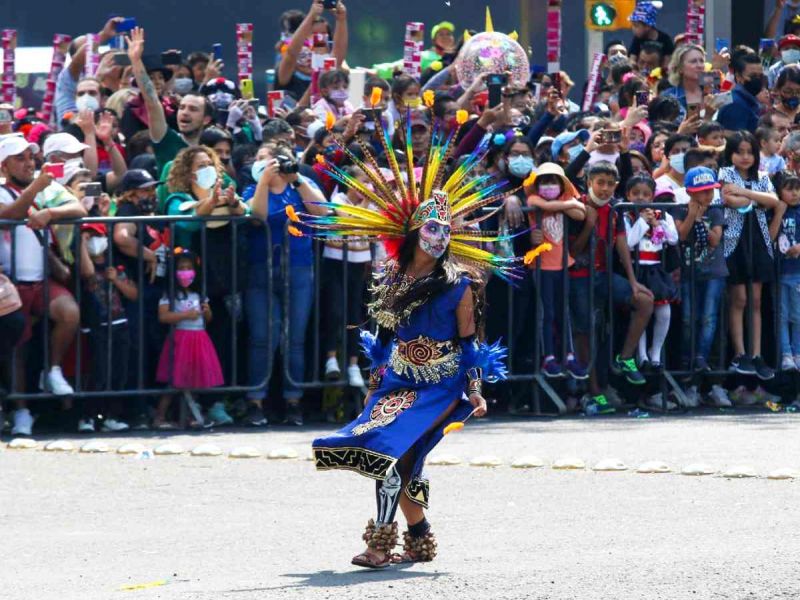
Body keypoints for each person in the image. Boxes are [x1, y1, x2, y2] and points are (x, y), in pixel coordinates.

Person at [301, 104, 512, 568]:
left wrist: (474, 388)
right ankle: (419, 535)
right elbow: (383, 333)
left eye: (445, 229)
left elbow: (469, 341)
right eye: (431, 228)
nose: (438, 237)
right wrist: (377, 377)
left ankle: (380, 544)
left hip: (439, 385)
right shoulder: (390, 277)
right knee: (398, 456)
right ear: (413, 232)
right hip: (397, 380)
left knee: (395, 455)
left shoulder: (459, 284)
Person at [0, 136, 86, 436]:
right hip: (12, 283)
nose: (28, 163)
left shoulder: (44, 184)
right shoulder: (5, 190)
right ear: (4, 165)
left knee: (69, 313)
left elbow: (77, 208)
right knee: (19, 348)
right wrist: (35, 190)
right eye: (20, 158)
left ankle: (52, 370)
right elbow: (9, 214)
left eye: (30, 157)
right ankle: (21, 410)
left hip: (42, 279)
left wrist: (50, 212)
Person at [246, 141, 327, 427]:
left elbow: (322, 211)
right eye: (258, 159)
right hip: (261, 271)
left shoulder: (297, 189)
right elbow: (257, 215)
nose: (261, 163)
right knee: (261, 338)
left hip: (299, 269)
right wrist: (264, 183)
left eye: (266, 159)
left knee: (295, 339)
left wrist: (298, 178)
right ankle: (256, 401)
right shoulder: (252, 189)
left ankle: (294, 401)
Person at [568, 161, 654, 415]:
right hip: (578, 277)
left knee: (644, 301)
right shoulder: (577, 206)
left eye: (610, 184)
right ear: (590, 183)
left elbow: (621, 243)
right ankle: (594, 391)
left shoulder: (615, 209)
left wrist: (633, 280)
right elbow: (573, 251)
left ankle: (625, 357)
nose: (605, 189)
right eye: (600, 183)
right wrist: (588, 223)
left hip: (604, 275)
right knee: (585, 332)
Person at [719, 131, 780, 381]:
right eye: (739, 152)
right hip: (735, 241)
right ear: (730, 153)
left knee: (755, 299)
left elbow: (773, 200)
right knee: (739, 299)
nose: (745, 157)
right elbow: (728, 200)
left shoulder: (763, 177)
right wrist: (755, 201)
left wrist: (748, 196)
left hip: (759, 241)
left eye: (749, 152)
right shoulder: (725, 174)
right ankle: (739, 352)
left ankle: (756, 354)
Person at [524, 162, 587, 379]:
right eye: (544, 182)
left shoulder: (563, 201)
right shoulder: (534, 200)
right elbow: (547, 206)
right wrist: (567, 204)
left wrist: (568, 204)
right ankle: (548, 357)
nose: (549, 186)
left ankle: (569, 356)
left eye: (553, 182)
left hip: (562, 264)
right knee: (547, 312)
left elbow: (582, 213)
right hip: (541, 266)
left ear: (561, 184)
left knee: (563, 312)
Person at [674, 166, 730, 407]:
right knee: (688, 319)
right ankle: (688, 367)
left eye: (710, 191)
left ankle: (701, 359)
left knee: (709, 319)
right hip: (688, 274)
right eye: (702, 192)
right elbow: (681, 235)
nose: (707, 196)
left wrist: (704, 221)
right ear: (689, 191)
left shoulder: (716, 211)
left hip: (713, 273)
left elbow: (715, 239)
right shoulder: (679, 209)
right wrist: (692, 217)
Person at [76, 223, 136, 433]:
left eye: (97, 236)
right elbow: (88, 274)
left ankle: (112, 415)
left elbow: (133, 293)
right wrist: (81, 242)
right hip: (95, 326)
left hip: (119, 323)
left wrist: (116, 281)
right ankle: (88, 416)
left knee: (119, 372)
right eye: (89, 237)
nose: (94, 240)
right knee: (96, 373)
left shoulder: (116, 266)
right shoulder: (83, 268)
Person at [154, 249, 224, 429]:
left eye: (189, 267)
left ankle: (190, 416)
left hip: (199, 339)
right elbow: (163, 316)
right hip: (181, 340)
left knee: (193, 381)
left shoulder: (199, 294)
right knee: (173, 382)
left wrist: (207, 312)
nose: (185, 271)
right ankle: (160, 416)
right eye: (181, 268)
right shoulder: (170, 294)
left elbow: (207, 319)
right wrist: (185, 315)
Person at [322, 166, 372, 386]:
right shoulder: (338, 198)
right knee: (333, 310)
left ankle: (353, 364)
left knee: (354, 314)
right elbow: (349, 217)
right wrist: (366, 203)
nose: (368, 186)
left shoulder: (371, 204)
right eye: (363, 181)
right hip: (335, 261)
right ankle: (331, 359)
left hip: (358, 264)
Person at [623, 174, 678, 372]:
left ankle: (655, 353)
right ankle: (642, 355)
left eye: (646, 194)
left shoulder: (662, 214)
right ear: (628, 194)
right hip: (637, 268)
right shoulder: (625, 215)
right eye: (635, 193)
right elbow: (629, 242)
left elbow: (672, 239)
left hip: (655, 269)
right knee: (641, 312)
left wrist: (658, 224)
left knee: (663, 311)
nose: (640, 198)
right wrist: (643, 222)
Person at [772, 171, 800, 372]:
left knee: (798, 315)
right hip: (780, 272)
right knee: (782, 314)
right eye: (789, 189)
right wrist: (779, 213)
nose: (795, 193)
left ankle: (797, 352)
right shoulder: (773, 211)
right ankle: (786, 354)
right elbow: (770, 236)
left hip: (797, 271)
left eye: (798, 189)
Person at [717, 53, 764, 134]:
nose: (757, 79)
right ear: (738, 77)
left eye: (760, 76)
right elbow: (736, 141)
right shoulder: (735, 104)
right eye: (752, 76)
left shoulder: (748, 100)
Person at [627, 0, 674, 69]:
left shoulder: (665, 39)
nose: (633, 29)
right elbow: (632, 59)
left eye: (636, 26)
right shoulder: (637, 39)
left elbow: (667, 63)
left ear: (648, 26)